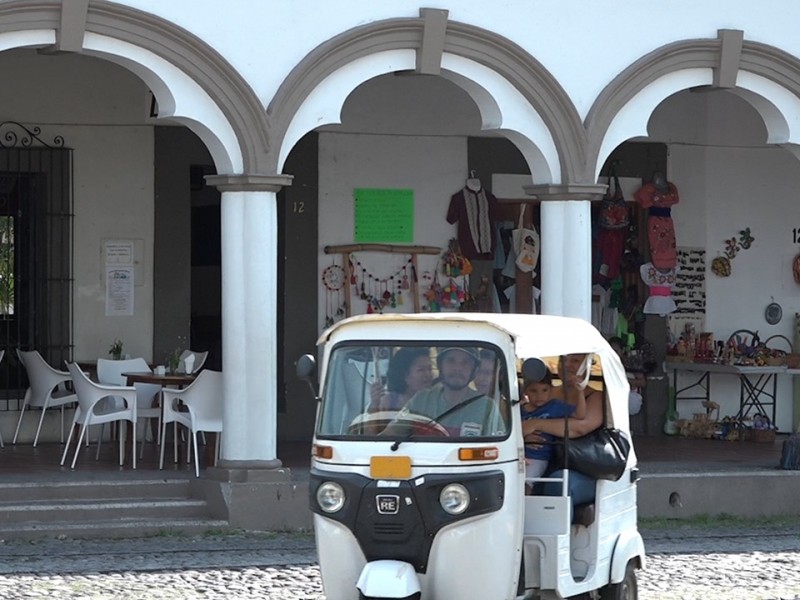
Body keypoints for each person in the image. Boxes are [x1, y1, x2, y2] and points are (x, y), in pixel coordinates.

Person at [522, 354, 604, 508]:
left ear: (587, 365)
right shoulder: (544, 392)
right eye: (563, 360)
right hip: (540, 458)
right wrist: (525, 436)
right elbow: (523, 417)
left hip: (579, 466)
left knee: (559, 483)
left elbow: (580, 427)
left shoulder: (595, 396)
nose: (567, 365)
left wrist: (535, 424)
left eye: (574, 360)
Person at [396, 347, 504, 437]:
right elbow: (391, 435)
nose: (457, 368)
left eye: (465, 362)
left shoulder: (487, 407)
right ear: (440, 366)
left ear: (474, 370)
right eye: (451, 361)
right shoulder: (420, 400)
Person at [520, 369, 586, 493]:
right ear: (525, 391)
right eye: (533, 391)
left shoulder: (554, 407)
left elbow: (580, 415)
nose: (539, 395)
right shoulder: (519, 409)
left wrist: (580, 392)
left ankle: (523, 509)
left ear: (551, 389)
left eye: (544, 390)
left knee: (525, 484)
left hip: (538, 457)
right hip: (517, 455)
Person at [369, 347, 433, 412]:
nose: (428, 374)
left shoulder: (435, 399)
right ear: (404, 374)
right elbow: (376, 420)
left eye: (430, 369)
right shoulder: (389, 401)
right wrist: (375, 403)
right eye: (421, 370)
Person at [609, 336, 646, 415]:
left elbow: (642, 383)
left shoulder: (632, 362)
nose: (613, 354)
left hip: (631, 398)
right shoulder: (607, 362)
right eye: (611, 352)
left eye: (616, 351)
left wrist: (623, 380)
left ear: (623, 350)